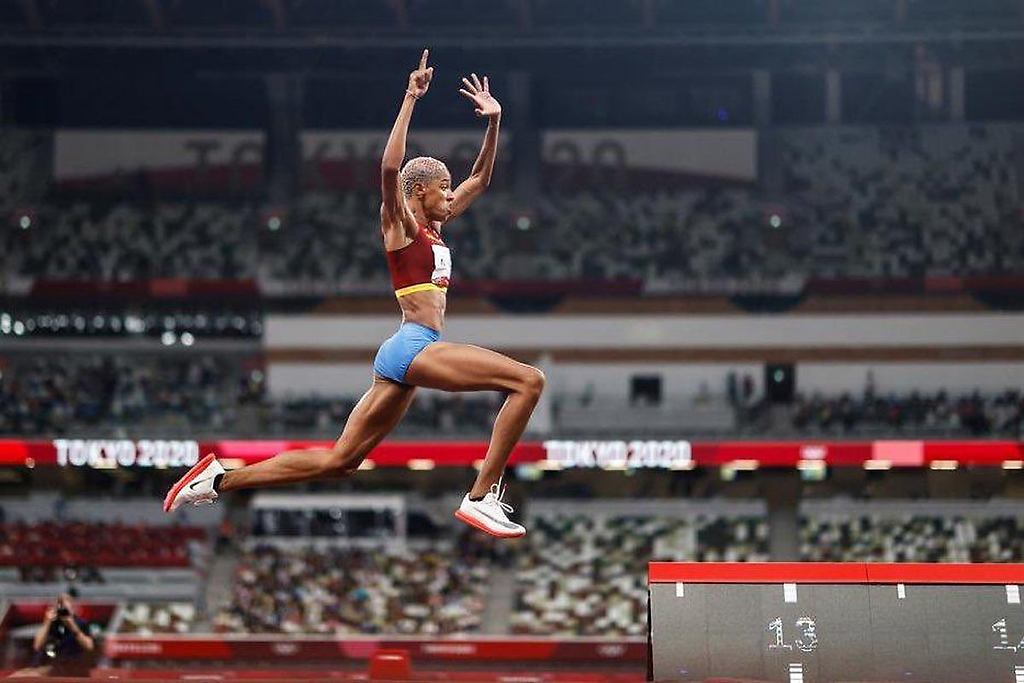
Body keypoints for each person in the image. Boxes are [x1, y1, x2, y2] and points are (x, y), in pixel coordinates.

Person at [165, 49, 544, 538]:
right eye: (443, 189)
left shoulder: (434, 226)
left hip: (403, 352)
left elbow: (482, 179)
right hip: (414, 346)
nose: (452, 196)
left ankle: (219, 479)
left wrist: (493, 124)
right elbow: (389, 170)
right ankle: (481, 496)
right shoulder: (400, 224)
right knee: (528, 381)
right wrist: (410, 98)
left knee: (341, 460)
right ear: (419, 191)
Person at [12, 593, 95, 678]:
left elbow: (89, 646)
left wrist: (73, 627)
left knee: (30, 675)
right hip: (52, 664)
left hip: (71, 666)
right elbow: (37, 645)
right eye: (60, 609)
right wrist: (47, 622)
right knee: (19, 675)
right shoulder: (53, 624)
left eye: (66, 610)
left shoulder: (81, 623)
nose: (63, 613)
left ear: (73, 609)